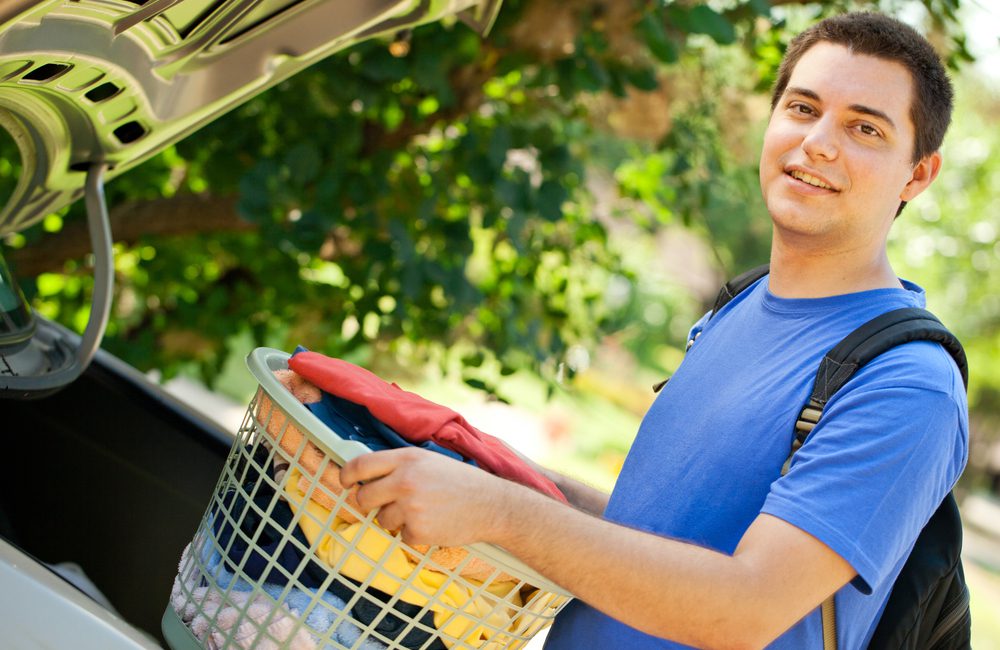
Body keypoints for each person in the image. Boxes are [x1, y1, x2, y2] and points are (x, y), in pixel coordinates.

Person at [339, 12, 968, 648]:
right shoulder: (739, 303)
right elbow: (647, 536)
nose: (819, 143)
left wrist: (503, 513)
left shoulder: (909, 382)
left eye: (864, 127)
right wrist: (467, 459)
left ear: (917, 174)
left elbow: (747, 607)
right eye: (803, 109)